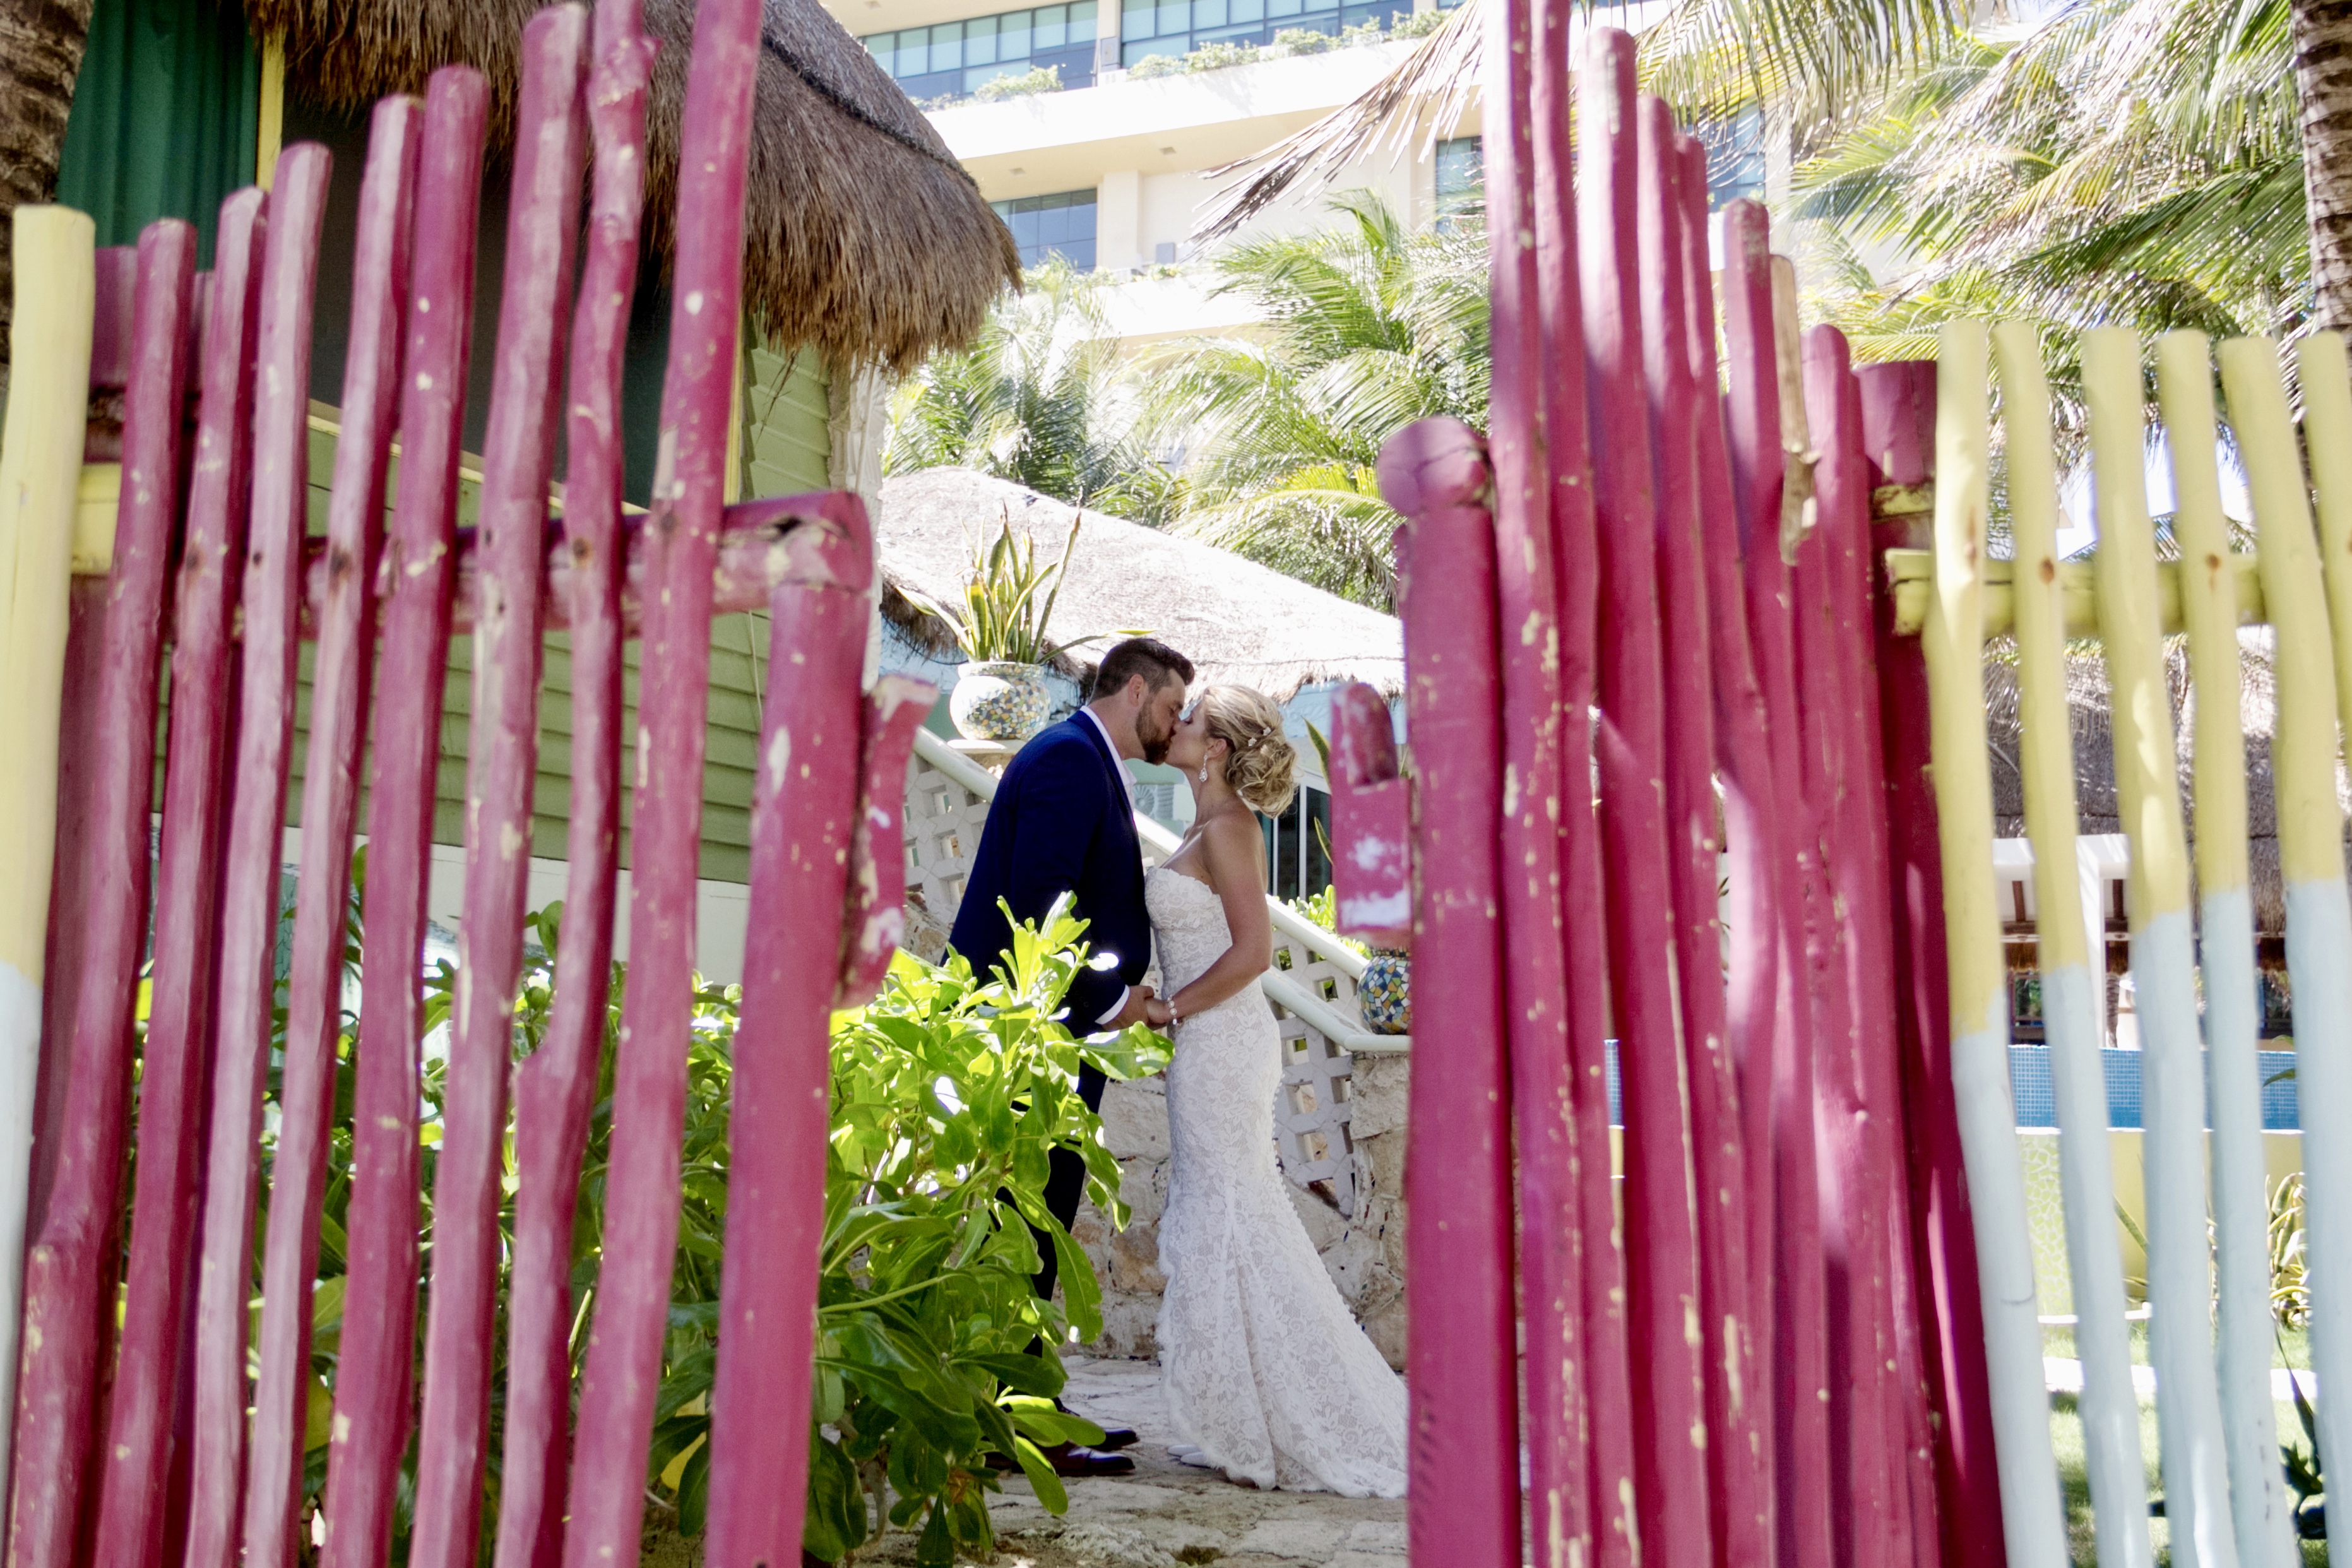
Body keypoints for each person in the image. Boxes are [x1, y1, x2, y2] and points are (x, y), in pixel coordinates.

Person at [1149, 685, 1408, 1497]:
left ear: (1218, 747)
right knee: (1225, 1214)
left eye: (1191, 720)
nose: (1178, 726)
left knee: (1233, 1216)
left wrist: (1170, 1008)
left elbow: (1256, 952)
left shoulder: (1228, 829)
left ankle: (1277, 1422)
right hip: (1209, 1044)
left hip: (1223, 1042)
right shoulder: (1204, 822)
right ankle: (1240, 1415)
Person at [946, 636, 1195, 1478]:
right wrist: (1110, 999)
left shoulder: (1083, 758)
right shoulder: (1063, 759)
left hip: (1058, 1036)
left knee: (1037, 1223)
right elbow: (1037, 907)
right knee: (1024, 1227)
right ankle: (1009, 1427)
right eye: (1169, 708)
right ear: (1134, 690)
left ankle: (1026, 1399)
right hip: (1032, 1037)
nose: (1175, 725)